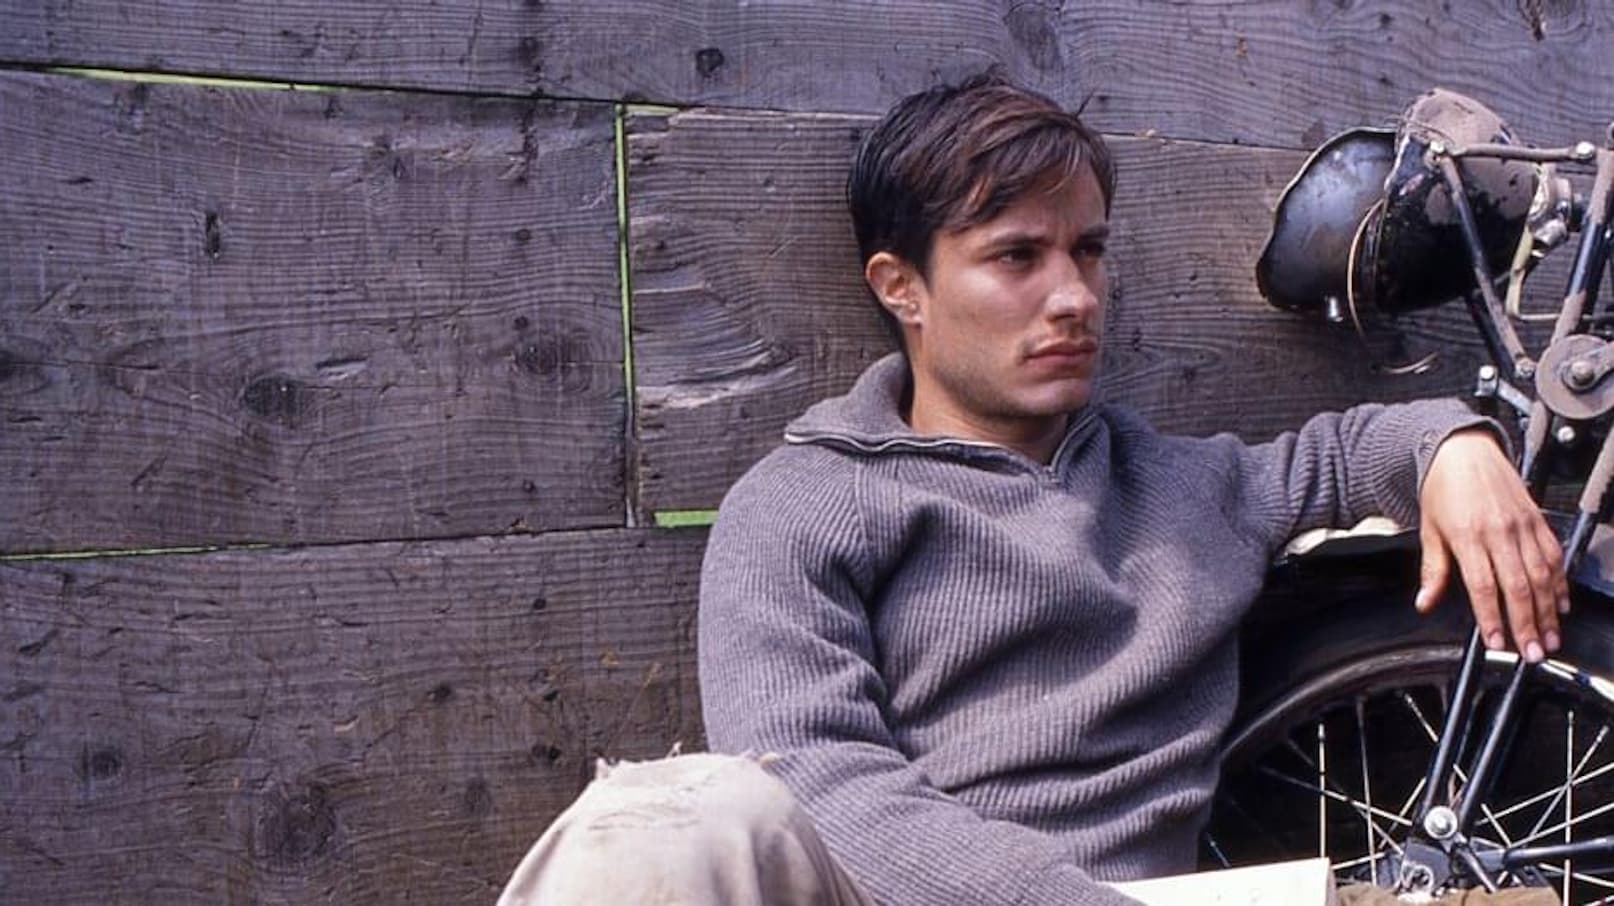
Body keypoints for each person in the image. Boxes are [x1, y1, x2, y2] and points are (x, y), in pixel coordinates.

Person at [497, 74, 1567, 906]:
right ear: (902, 288)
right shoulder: (797, 507)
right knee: (669, 817)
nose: (1073, 297)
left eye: (1088, 251)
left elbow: (1344, 453)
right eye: (1016, 257)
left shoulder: (1184, 487)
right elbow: (817, 780)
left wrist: (1452, 444)